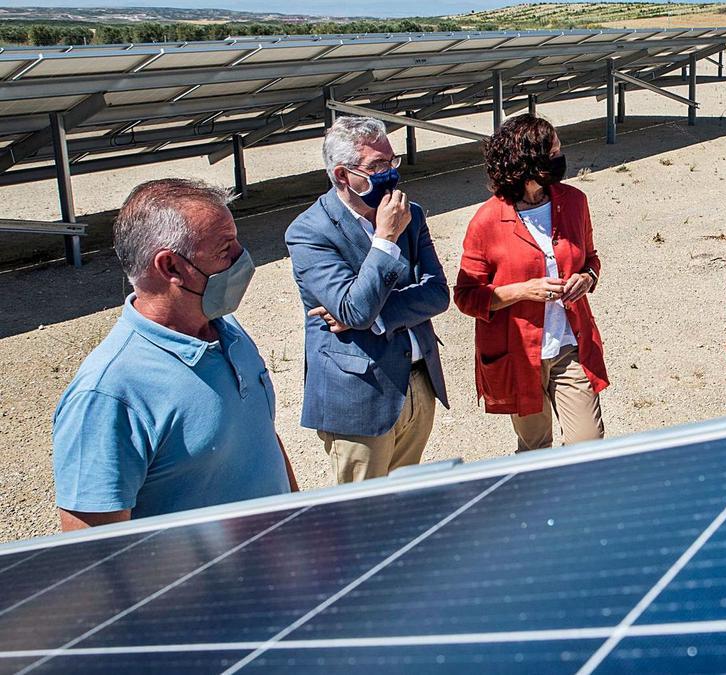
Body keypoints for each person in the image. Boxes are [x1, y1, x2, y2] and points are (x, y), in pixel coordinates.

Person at [52, 179, 296, 531]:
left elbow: (262, 437)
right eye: (225, 248)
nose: (242, 257)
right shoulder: (108, 395)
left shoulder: (229, 331)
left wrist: (299, 518)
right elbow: (94, 555)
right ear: (170, 267)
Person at [286, 116, 449, 483]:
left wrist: (377, 315)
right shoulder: (309, 232)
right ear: (343, 175)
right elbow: (354, 308)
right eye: (377, 166)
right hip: (360, 396)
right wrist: (386, 239)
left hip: (417, 382)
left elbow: (438, 293)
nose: (390, 173)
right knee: (363, 517)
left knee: (404, 503)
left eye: (392, 161)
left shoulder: (413, 213)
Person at [454, 114, 607, 452]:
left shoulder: (574, 202)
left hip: (569, 345)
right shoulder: (487, 221)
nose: (560, 157)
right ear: (528, 160)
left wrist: (587, 278)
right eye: (553, 152)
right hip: (519, 353)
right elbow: (466, 297)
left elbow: (591, 259)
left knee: (589, 444)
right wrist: (524, 291)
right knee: (535, 448)